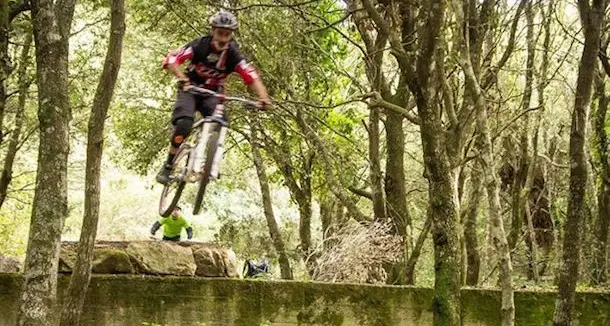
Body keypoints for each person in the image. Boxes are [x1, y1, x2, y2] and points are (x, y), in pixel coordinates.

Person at [156, 11, 271, 184]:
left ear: (231, 35)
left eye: (227, 34)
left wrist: (263, 98)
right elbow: (172, 58)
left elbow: (251, 75)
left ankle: (209, 163)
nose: (223, 38)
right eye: (220, 33)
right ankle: (168, 165)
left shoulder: (234, 54)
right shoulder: (199, 45)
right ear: (212, 31)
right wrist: (180, 76)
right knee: (184, 125)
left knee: (220, 122)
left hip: (213, 93)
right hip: (190, 87)